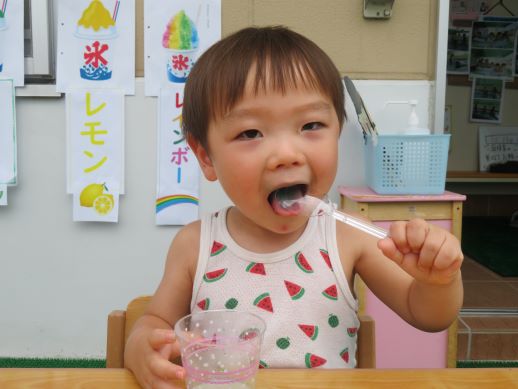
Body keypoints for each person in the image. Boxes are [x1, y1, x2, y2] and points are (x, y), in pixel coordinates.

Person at [124, 26, 464, 388]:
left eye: (311, 125)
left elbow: (426, 315)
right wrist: (140, 347)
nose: (287, 155)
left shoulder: (347, 236)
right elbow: (156, 322)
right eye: (251, 133)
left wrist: (438, 282)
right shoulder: (195, 244)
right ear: (206, 156)